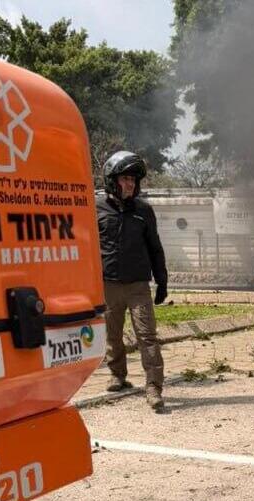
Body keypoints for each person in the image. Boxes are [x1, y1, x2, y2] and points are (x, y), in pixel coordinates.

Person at [96, 151, 169, 410]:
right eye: (125, 179)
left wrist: (162, 281)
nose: (130, 184)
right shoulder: (97, 209)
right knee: (112, 334)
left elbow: (155, 247)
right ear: (112, 180)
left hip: (138, 285)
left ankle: (154, 388)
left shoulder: (144, 211)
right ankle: (118, 375)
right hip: (108, 284)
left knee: (147, 336)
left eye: (133, 180)